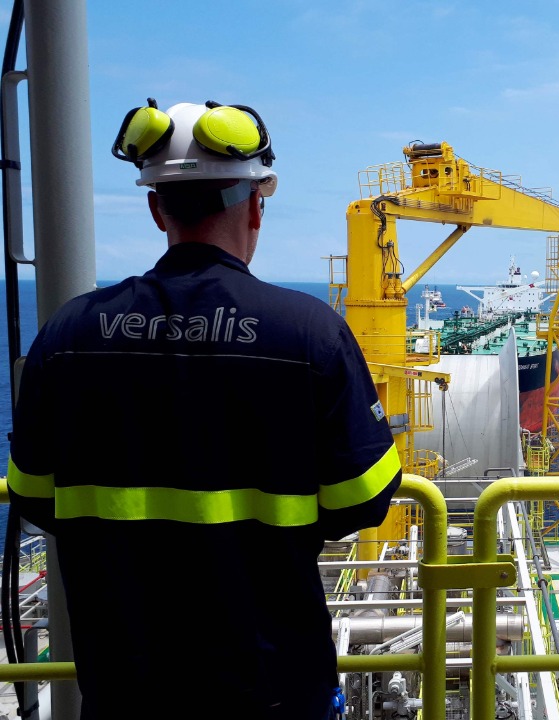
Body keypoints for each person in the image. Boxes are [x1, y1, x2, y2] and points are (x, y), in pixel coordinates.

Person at [6, 99, 401, 719]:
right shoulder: (308, 335)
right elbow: (363, 500)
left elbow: (31, 496)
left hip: (125, 687)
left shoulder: (67, 335)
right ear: (255, 208)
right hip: (274, 685)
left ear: (155, 206)